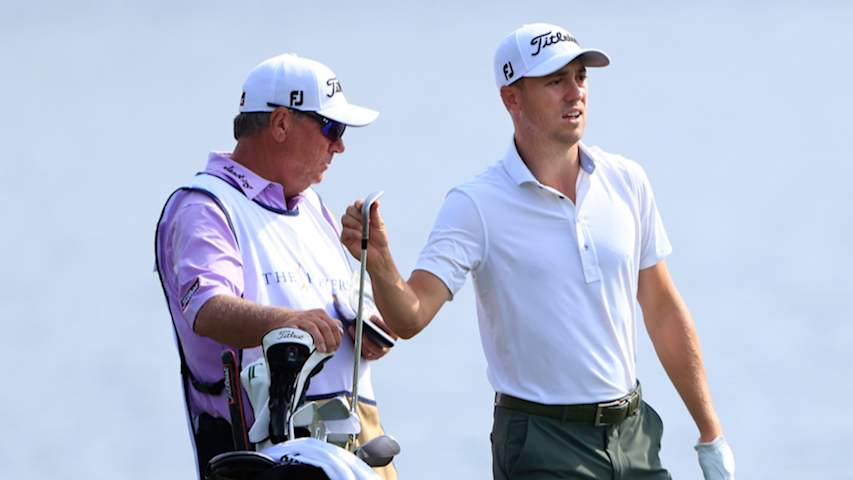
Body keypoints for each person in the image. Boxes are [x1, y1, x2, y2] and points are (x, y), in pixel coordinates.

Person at [341, 23, 735, 479]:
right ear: (512, 98)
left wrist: (711, 434)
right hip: (541, 441)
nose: (575, 93)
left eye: (580, 77)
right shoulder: (475, 204)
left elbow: (663, 310)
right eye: (555, 81)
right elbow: (410, 316)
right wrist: (381, 263)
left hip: (633, 432)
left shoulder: (627, 180)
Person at [154, 53, 397, 480]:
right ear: (281, 123)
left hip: (353, 461)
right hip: (265, 465)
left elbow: (334, 312)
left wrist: (364, 330)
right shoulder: (204, 207)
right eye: (331, 128)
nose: (340, 146)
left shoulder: (311, 207)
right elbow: (208, 309)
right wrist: (290, 322)